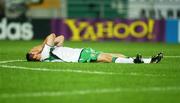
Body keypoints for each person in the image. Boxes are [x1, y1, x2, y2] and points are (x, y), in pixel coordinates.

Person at [26, 33, 163, 64]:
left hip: (81, 52)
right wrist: (42, 47)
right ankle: (140, 62)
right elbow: (52, 35)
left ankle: (147, 59)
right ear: (35, 55)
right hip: (79, 56)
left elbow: (60, 38)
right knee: (106, 58)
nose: (35, 51)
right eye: (33, 52)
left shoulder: (48, 52)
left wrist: (51, 47)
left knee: (115, 54)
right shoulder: (44, 54)